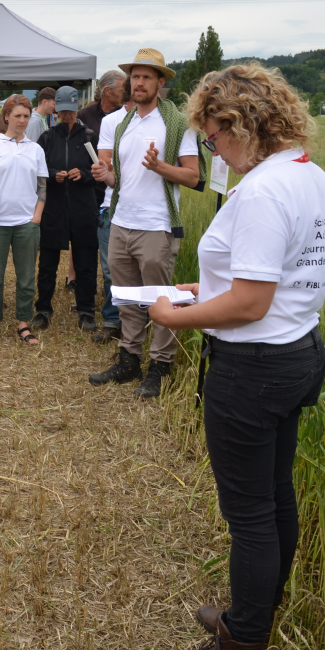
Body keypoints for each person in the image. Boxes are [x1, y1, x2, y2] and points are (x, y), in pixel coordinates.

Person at [148, 63, 325, 650]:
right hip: (297, 353)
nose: (215, 152)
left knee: (249, 512)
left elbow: (252, 303)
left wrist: (172, 317)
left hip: (252, 369)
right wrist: (205, 290)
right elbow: (276, 277)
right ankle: (259, 608)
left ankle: (245, 635)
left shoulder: (262, 191)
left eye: (212, 139)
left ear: (240, 126)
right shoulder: (309, 175)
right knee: (275, 494)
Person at [90, 48, 204, 398]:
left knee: (160, 299)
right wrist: (106, 175)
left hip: (157, 226)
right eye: (135, 77)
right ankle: (129, 359)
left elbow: (193, 176)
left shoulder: (177, 124)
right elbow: (121, 181)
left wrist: (160, 167)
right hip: (121, 221)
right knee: (125, 298)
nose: (139, 83)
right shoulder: (124, 124)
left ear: (160, 82)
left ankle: (160, 366)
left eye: (146, 77)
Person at [0, 95, 47, 346]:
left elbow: (42, 186)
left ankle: (24, 324)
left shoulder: (36, 149)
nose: (22, 120)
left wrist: (37, 216)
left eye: (26, 116)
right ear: (6, 117)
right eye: (17, 115)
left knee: (26, 277)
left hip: (26, 222)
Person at [34, 86, 99, 332]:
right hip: (54, 209)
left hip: (83, 209)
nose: (67, 115)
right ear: (56, 110)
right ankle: (43, 310)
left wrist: (83, 174)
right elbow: (38, 171)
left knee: (85, 264)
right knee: (47, 264)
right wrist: (53, 175)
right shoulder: (47, 138)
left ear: (77, 108)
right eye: (62, 111)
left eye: (71, 110)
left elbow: (100, 172)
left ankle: (86, 311)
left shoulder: (90, 137)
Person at [85, 72, 128, 343]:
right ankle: (112, 321)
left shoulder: (166, 120)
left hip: (147, 210)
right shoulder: (111, 121)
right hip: (110, 202)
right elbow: (105, 163)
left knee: (141, 272)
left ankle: (139, 322)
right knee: (111, 268)